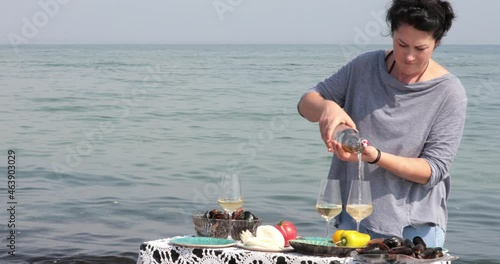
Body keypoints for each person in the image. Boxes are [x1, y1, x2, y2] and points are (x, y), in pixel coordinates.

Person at [297, 0, 466, 247]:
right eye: (401, 44)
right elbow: (305, 104)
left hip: (413, 228)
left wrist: (375, 156)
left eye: (420, 48)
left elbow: (433, 170)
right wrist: (327, 107)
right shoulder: (364, 66)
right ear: (391, 33)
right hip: (353, 217)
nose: (409, 57)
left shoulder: (449, 92)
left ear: (437, 42)